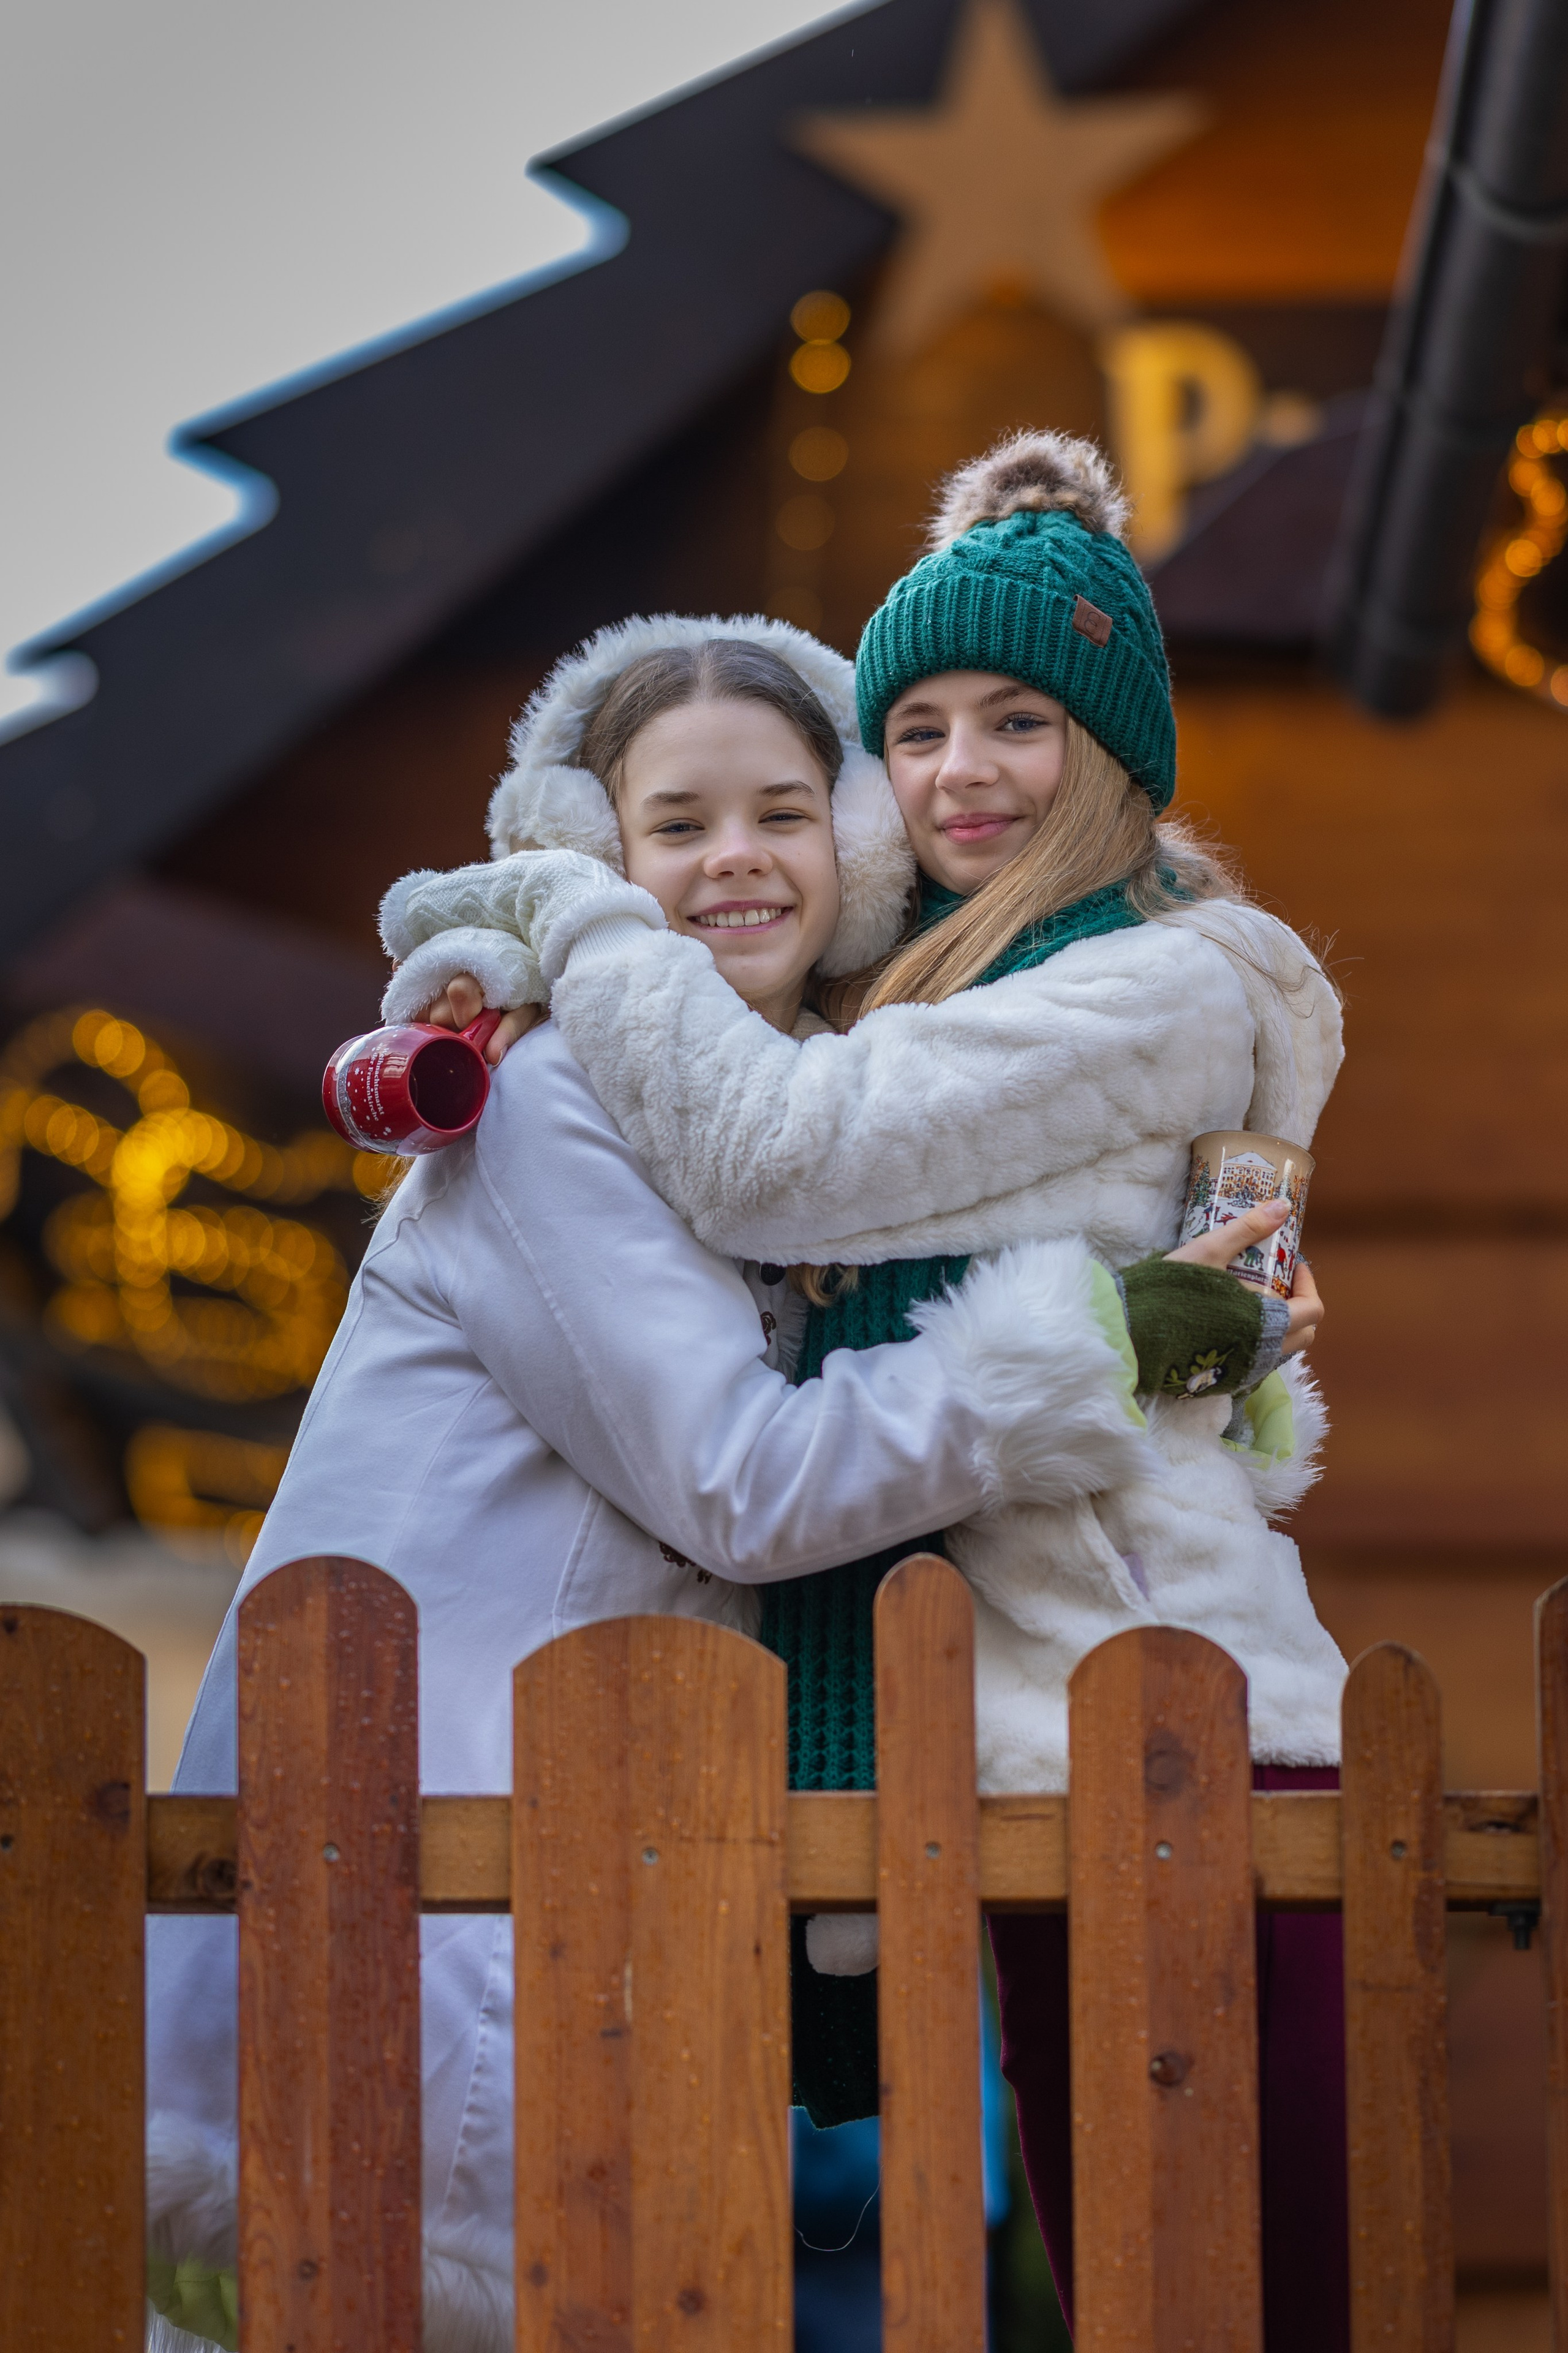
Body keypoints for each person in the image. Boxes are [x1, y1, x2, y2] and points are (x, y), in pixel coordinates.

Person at [145, 624, 1281, 2353]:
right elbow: (742, 1485)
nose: (736, 856)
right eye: (678, 826)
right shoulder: (552, 1104)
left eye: (782, 810)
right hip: (438, 1880)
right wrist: (1085, 1345)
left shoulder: (752, 1132)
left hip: (586, 1883)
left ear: (859, 846)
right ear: (598, 860)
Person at [383, 431, 1350, 2349]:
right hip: (1021, 1743)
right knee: (1125, 2287)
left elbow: (778, 1155)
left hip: (1160, 1719)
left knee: (1245, 2297)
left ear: (1118, 749)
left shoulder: (1138, 985)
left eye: (1018, 719)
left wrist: (574, 908)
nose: (963, 771)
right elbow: (773, 1041)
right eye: (912, 729)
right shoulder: (957, 981)